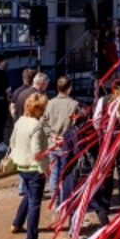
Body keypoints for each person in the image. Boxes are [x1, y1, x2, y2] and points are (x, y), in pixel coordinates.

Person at [9, 91, 50, 239]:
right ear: (37, 109)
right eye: (43, 108)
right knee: (35, 203)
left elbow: (12, 141)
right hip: (34, 167)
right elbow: (37, 151)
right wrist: (44, 167)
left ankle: (17, 223)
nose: (44, 111)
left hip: (22, 165)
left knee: (29, 195)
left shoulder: (20, 121)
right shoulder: (36, 126)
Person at [43, 75, 82, 205]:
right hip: (66, 143)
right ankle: (65, 200)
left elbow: (43, 122)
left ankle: (56, 201)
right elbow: (77, 125)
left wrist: (51, 135)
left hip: (53, 143)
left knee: (54, 173)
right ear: (69, 88)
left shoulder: (49, 103)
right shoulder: (74, 104)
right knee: (66, 173)